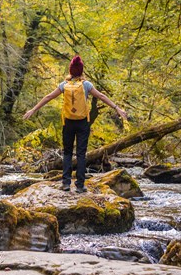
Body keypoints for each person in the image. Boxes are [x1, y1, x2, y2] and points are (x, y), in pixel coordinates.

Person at [23, 55, 128, 193]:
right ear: (81, 70)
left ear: (70, 70)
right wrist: (117, 108)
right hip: (83, 122)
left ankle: (66, 183)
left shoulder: (64, 85)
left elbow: (48, 97)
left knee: (67, 153)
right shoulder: (86, 85)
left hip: (68, 122)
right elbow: (101, 96)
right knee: (81, 154)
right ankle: (80, 185)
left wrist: (33, 109)